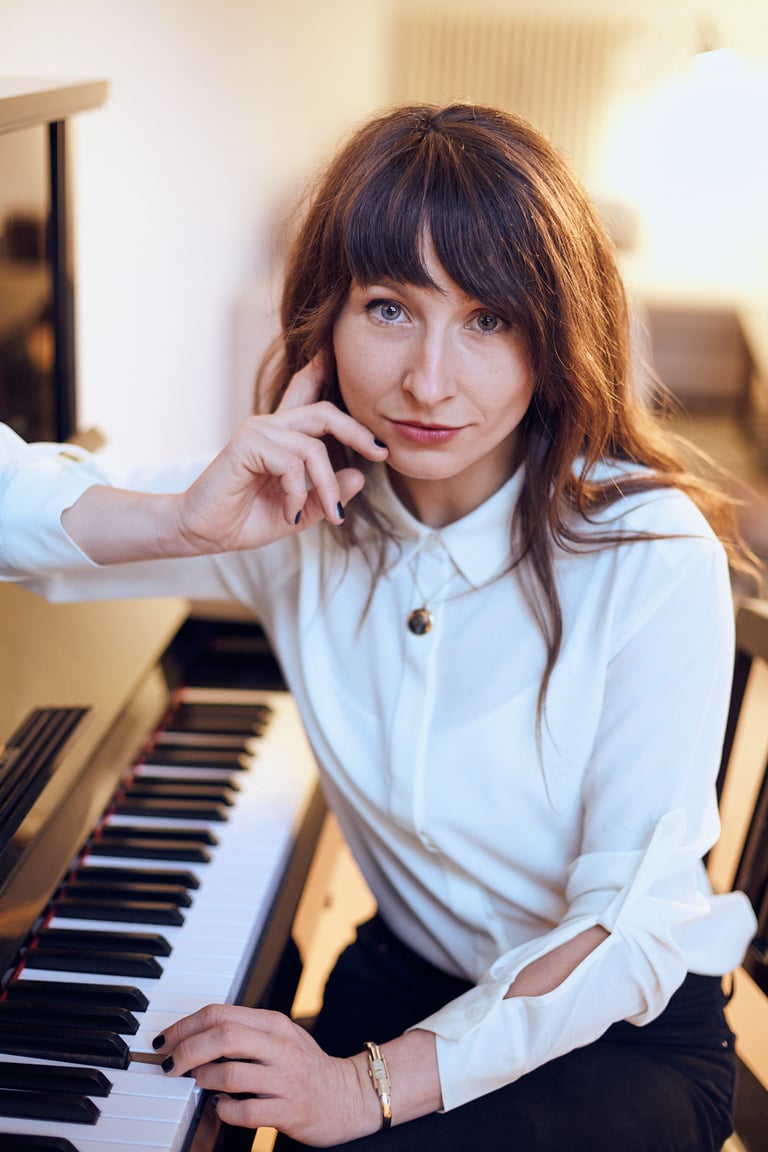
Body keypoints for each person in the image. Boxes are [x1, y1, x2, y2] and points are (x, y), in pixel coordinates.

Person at [0, 102, 760, 1151]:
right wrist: (180, 521)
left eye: (489, 320)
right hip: (407, 974)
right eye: (390, 309)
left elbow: (624, 931)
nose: (431, 382)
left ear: (555, 336)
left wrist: (365, 1088)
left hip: (619, 1031)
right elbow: (18, 500)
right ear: (326, 318)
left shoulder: (648, 550)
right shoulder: (294, 512)